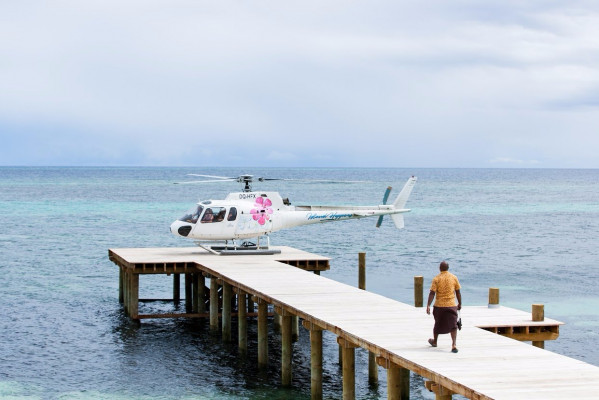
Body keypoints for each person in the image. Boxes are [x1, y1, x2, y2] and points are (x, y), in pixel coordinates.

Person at [426, 261, 462, 353]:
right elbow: (458, 292)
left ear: (439, 268)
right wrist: (460, 303)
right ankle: (453, 344)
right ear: (448, 268)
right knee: (454, 325)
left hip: (439, 306)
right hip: (451, 305)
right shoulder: (454, 278)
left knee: (438, 323)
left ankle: (435, 342)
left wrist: (428, 305)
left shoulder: (436, 279)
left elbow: (432, 293)